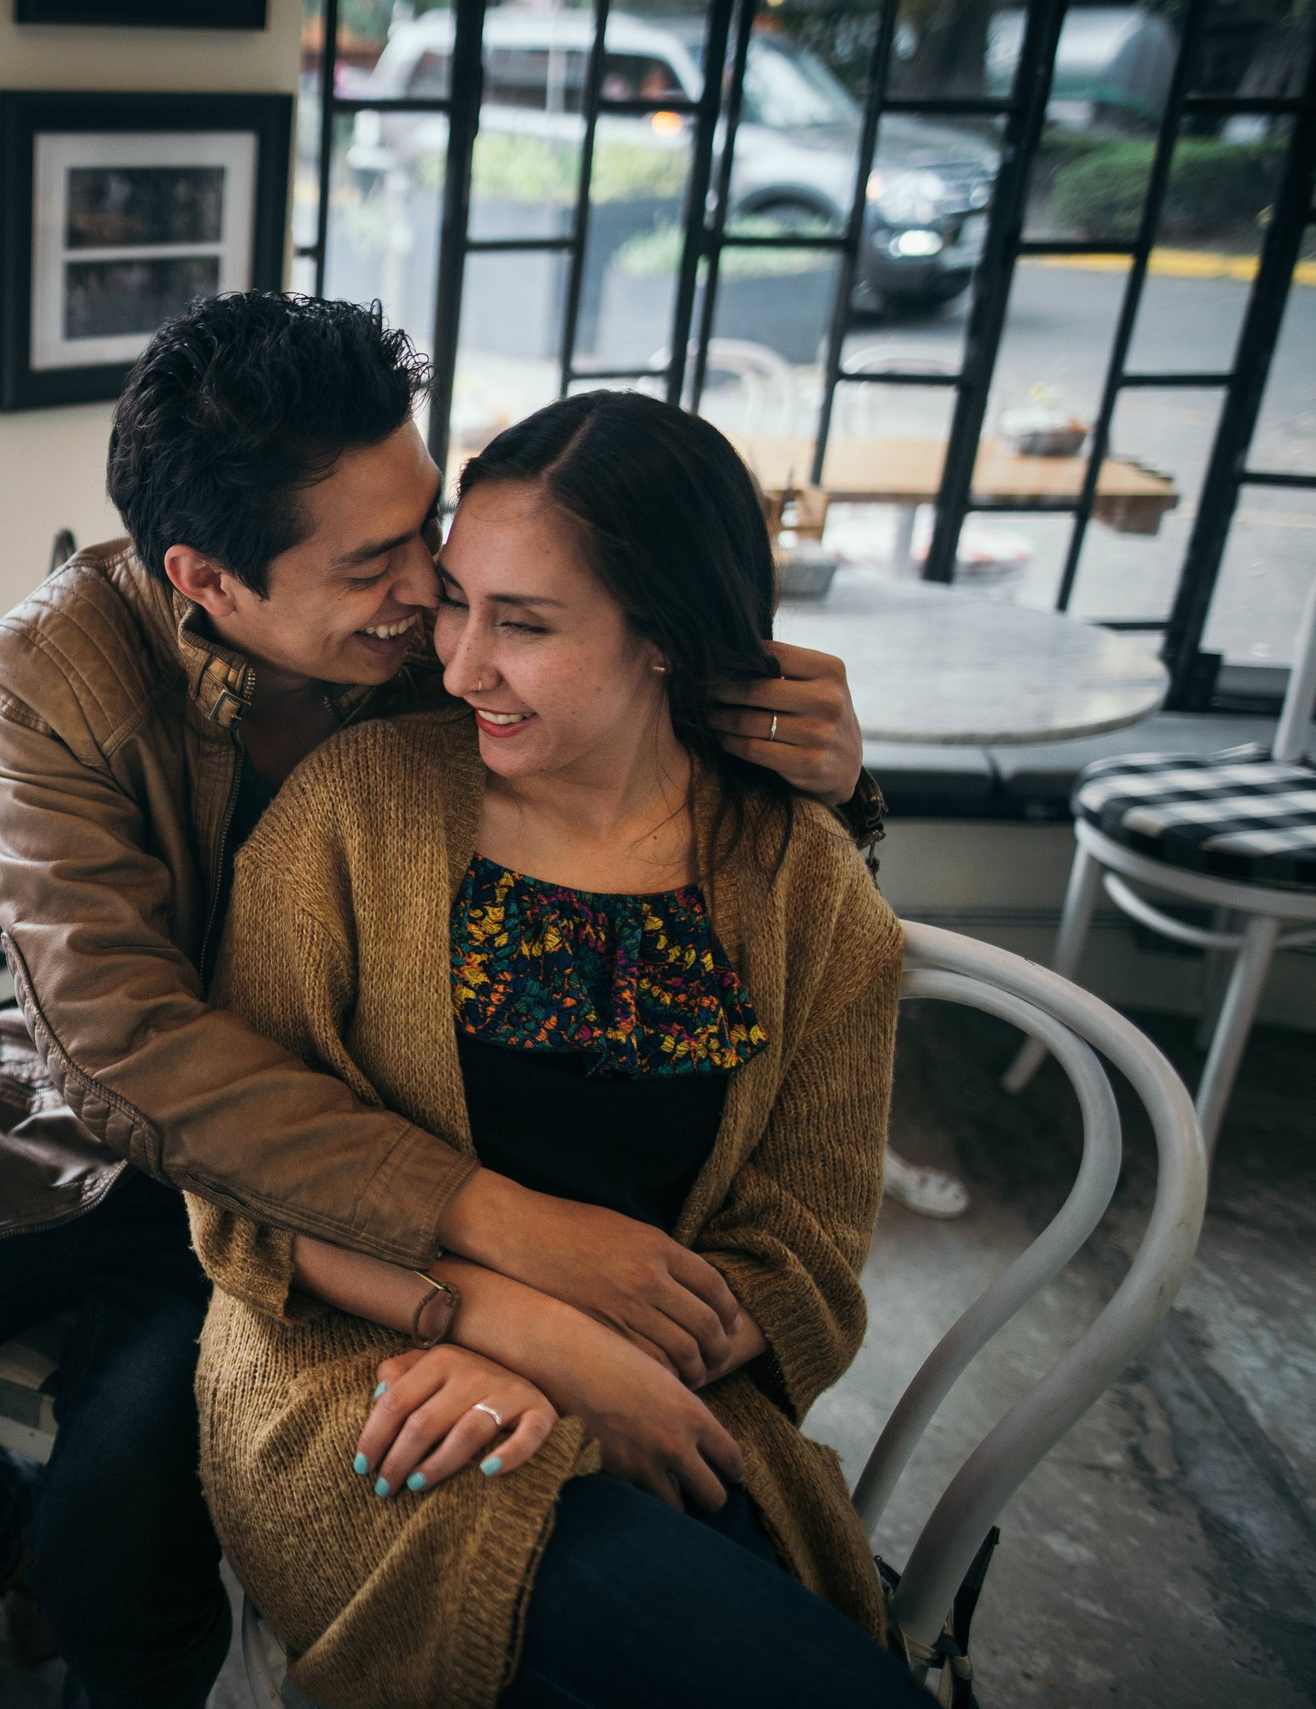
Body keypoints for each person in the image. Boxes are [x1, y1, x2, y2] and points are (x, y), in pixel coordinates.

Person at [0, 294, 878, 1709]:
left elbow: (695, 835)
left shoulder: (449, 652)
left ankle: (88, 1592)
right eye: (378, 563)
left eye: (425, 526)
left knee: (129, 1552)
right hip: (106, 1151)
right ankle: (3, 1539)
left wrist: (838, 782)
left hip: (337, 1201)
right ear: (210, 579)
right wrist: (499, 1238)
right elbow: (125, 1043)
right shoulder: (51, 678)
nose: (432, 597)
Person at [186, 388, 928, 1709]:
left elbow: (808, 1248)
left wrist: (605, 1370)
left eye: (522, 624)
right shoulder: (353, 815)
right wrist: (512, 1333)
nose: (461, 662)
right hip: (366, 1391)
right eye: (457, 601)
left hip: (669, 1405)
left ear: (666, 636)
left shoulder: (800, 879)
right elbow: (241, 1192)